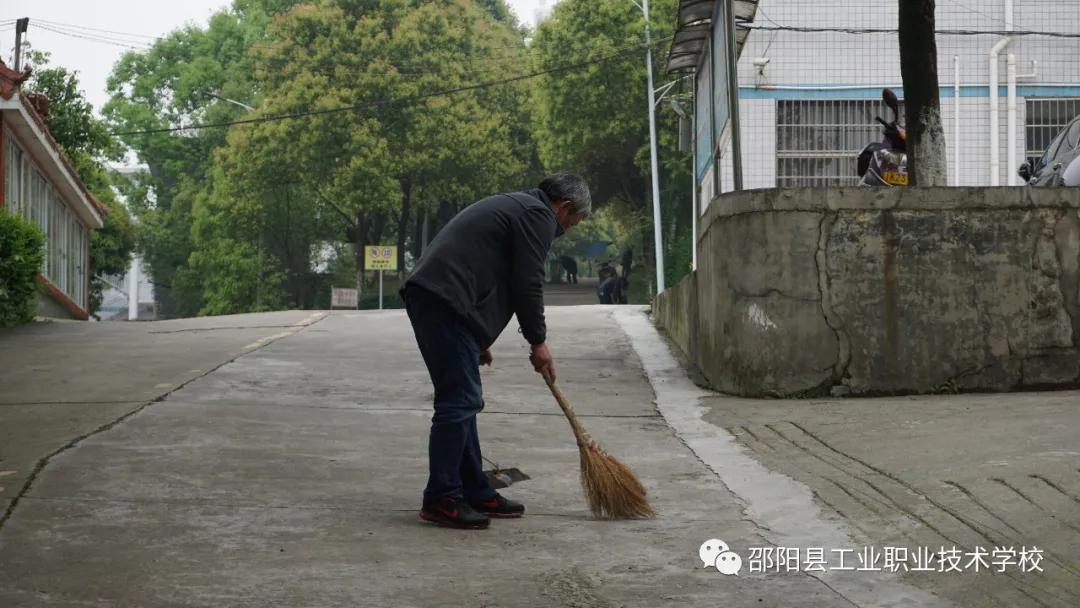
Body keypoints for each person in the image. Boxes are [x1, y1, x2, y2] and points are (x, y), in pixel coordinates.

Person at [401, 173, 591, 529]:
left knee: (465, 401)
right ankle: (441, 497)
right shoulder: (538, 215)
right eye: (572, 223)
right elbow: (526, 283)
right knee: (459, 401)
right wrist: (538, 341)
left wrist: (479, 338)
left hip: (442, 299)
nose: (565, 230)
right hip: (443, 300)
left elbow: (492, 273)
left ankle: (474, 490)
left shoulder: (519, 207)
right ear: (564, 207)